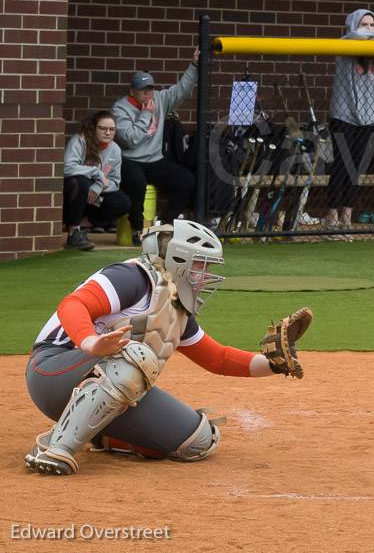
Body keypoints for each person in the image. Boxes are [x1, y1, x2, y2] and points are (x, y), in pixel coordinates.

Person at [24, 219, 311, 475]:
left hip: (107, 379)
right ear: (178, 258)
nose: (205, 274)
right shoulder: (131, 277)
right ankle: (54, 448)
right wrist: (91, 343)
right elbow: (73, 304)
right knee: (134, 357)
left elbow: (218, 358)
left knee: (197, 440)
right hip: (51, 370)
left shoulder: (176, 306)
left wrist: (272, 364)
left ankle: (98, 431)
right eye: (201, 264)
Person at [324, 8, 374, 239]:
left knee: (356, 167)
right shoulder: (345, 44)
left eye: (372, 24)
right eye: (364, 24)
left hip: (368, 117)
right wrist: (364, 34)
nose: (368, 29)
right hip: (344, 115)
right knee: (342, 165)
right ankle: (332, 217)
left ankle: (347, 216)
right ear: (353, 25)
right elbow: (354, 36)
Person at [111, 50, 201, 243]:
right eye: (143, 89)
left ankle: (165, 223)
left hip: (155, 159)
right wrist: (145, 114)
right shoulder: (119, 109)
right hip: (130, 159)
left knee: (185, 180)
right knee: (136, 183)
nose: (148, 93)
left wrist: (193, 66)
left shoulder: (159, 99)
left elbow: (182, 89)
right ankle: (137, 229)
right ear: (132, 91)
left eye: (150, 88)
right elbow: (130, 139)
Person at [62, 110, 132, 251]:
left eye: (111, 129)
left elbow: (114, 182)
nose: (108, 132)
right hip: (72, 194)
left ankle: (85, 223)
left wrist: (98, 185)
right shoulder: (79, 141)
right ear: (93, 128)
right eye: (103, 128)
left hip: (94, 198)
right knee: (80, 182)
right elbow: (67, 168)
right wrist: (96, 173)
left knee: (123, 202)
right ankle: (73, 232)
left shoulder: (115, 150)